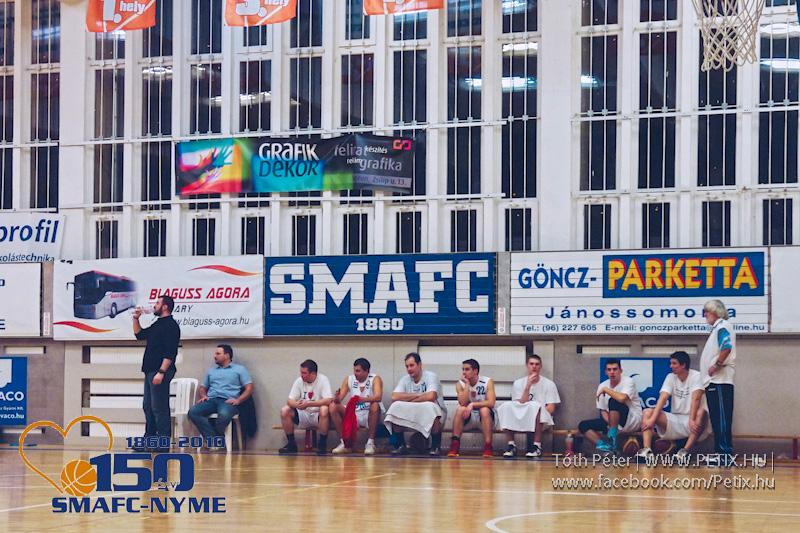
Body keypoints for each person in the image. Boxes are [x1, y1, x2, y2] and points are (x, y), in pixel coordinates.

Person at [636, 351, 710, 461]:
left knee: (701, 412)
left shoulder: (697, 376)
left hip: (693, 421)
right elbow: (663, 398)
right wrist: (652, 420)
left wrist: (691, 419)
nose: (671, 366)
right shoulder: (670, 377)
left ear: (683, 365)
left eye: (674, 363)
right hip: (676, 419)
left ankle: (685, 452)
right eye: (671, 363)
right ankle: (647, 451)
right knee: (647, 412)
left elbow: (696, 399)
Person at [133, 295, 180, 452]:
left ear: (165, 307)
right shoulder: (157, 324)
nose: (154, 305)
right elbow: (139, 335)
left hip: (160, 371)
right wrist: (136, 319)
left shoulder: (171, 326)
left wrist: (161, 371)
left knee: (159, 407)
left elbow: (170, 352)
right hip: (150, 370)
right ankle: (149, 440)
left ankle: (163, 441)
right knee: (148, 406)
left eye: (157, 303)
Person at [188, 344, 253, 449]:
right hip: (212, 400)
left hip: (228, 401)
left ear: (227, 355)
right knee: (193, 412)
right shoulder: (211, 371)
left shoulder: (240, 370)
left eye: (218, 353)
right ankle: (214, 440)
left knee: (224, 415)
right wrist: (203, 396)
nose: (215, 356)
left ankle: (214, 440)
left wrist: (238, 400)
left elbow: (249, 388)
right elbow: (203, 387)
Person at [497, 354, 560, 459]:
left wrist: (535, 414)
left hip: (542, 419)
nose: (534, 366)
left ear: (540, 366)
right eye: (531, 364)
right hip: (522, 417)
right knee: (506, 406)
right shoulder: (518, 383)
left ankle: (537, 446)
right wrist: (527, 386)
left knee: (536, 407)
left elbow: (551, 408)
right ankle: (511, 445)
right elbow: (518, 405)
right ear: (527, 365)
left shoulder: (549, 384)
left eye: (537, 364)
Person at [384, 353, 447, 456]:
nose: (409, 369)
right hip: (412, 411)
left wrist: (408, 400)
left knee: (430, 407)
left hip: (433, 413)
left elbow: (431, 396)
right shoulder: (405, 379)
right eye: (407, 366)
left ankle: (435, 446)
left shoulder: (431, 376)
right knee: (395, 407)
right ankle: (401, 445)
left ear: (420, 365)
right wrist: (418, 395)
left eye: (412, 365)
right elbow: (394, 396)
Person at [578, 359, 642, 454]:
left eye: (615, 369)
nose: (612, 372)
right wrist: (611, 424)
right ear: (606, 372)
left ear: (621, 371)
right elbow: (603, 411)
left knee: (614, 400)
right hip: (612, 422)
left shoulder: (628, 381)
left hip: (631, 421)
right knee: (583, 425)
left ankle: (612, 437)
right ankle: (608, 447)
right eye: (609, 369)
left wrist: (606, 390)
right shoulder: (602, 385)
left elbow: (622, 398)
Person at [700, 299, 736, 464]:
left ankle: (724, 454)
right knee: (716, 418)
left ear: (715, 312)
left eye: (707, 312)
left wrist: (717, 365)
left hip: (720, 381)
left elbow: (726, 347)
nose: (705, 315)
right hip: (714, 382)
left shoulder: (722, 326)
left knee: (721, 418)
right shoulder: (717, 329)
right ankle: (720, 452)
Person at [330, 358, 384, 455]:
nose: (355, 373)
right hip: (354, 414)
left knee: (375, 405)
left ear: (367, 371)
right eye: (354, 370)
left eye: (358, 371)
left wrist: (361, 399)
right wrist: (336, 398)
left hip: (369, 413)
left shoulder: (375, 378)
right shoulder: (349, 379)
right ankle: (344, 443)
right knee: (333, 406)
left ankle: (370, 443)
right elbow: (339, 399)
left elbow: (378, 397)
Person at [279, 359, 333, 455]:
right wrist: (297, 405)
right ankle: (291, 444)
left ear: (313, 373)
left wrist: (309, 403)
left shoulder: (323, 380)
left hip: (317, 415)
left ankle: (322, 445)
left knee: (324, 409)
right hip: (303, 414)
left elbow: (329, 400)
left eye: (304, 373)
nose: (301, 375)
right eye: (301, 372)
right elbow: (289, 400)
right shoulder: (299, 381)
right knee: (285, 410)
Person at [447, 359, 496, 458]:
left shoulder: (487, 381)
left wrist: (473, 404)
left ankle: (488, 446)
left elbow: (491, 402)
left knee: (484, 410)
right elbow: (462, 402)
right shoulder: (460, 384)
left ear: (475, 371)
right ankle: (455, 446)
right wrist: (467, 385)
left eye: (467, 369)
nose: (464, 372)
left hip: (485, 418)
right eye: (463, 369)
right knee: (460, 409)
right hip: (468, 417)